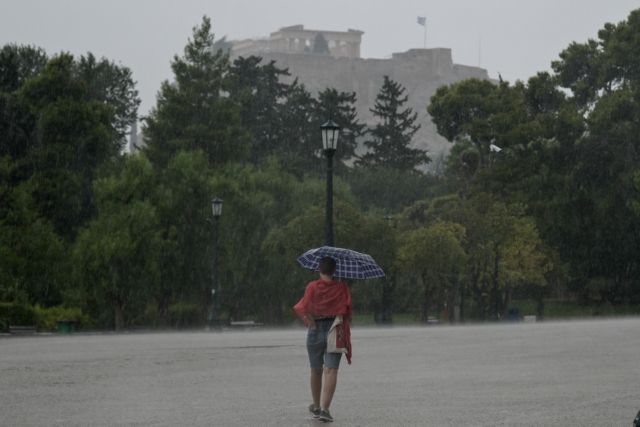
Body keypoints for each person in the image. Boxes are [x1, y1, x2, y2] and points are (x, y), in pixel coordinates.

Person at [293, 256, 352, 423]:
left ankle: (317, 406)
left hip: (316, 329)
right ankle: (326, 409)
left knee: (316, 369)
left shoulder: (312, 286)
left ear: (319, 269)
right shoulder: (341, 287)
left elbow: (304, 307)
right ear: (334, 270)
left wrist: (311, 322)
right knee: (331, 370)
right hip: (335, 329)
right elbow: (347, 310)